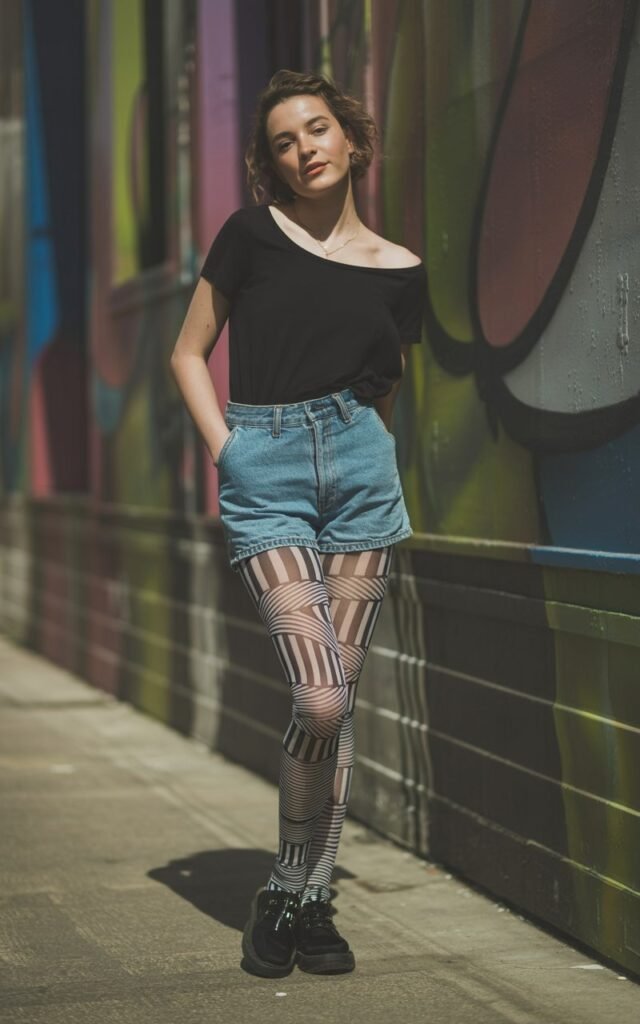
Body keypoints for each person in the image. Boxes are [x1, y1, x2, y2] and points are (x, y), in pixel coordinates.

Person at [170, 69, 427, 978]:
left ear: (351, 141)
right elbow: (188, 352)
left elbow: (384, 388)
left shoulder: (402, 271)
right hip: (265, 467)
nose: (304, 148)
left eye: (318, 130)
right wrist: (228, 451)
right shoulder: (249, 236)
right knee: (318, 696)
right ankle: (289, 878)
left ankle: (307, 899)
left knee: (339, 702)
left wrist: (364, 457)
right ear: (272, 164)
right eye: (284, 140)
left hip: (359, 476)